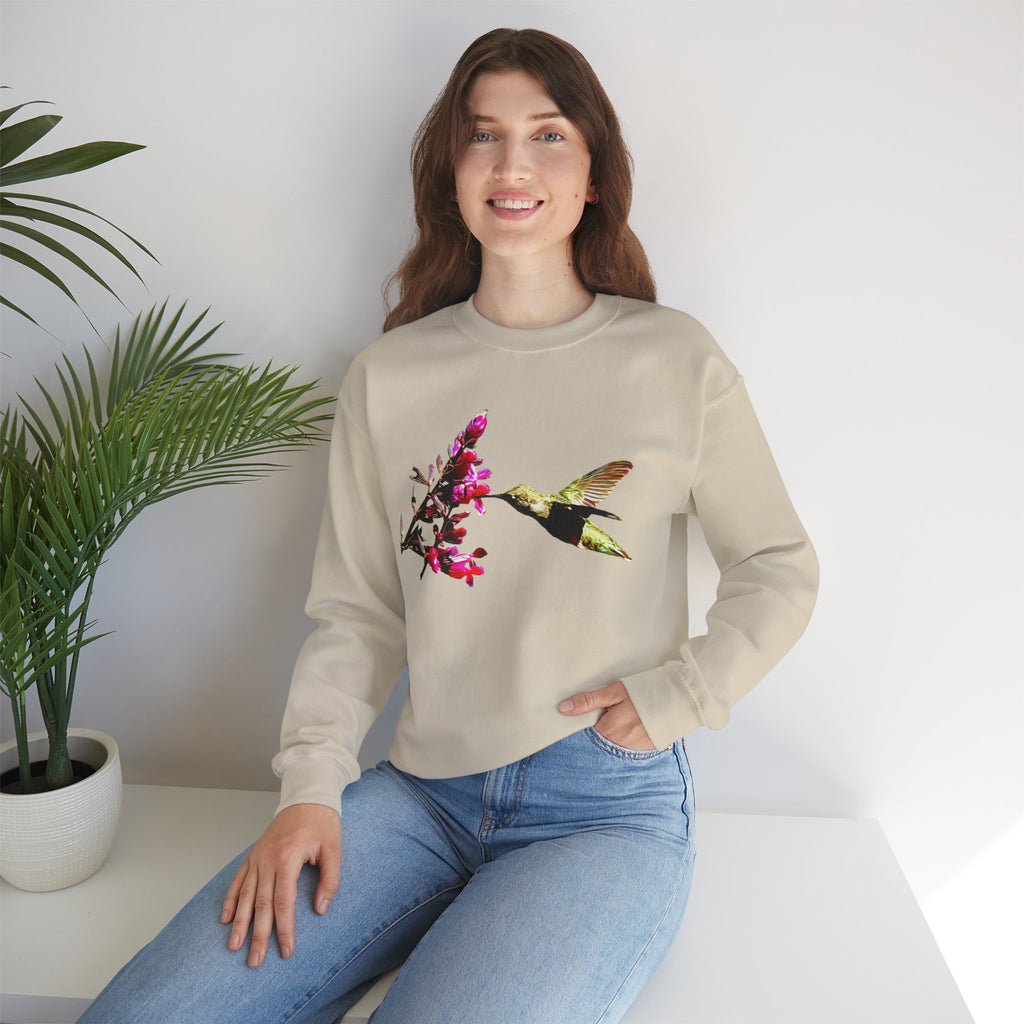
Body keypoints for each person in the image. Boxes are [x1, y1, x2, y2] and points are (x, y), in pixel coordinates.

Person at [80, 27, 818, 1024]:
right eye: (482, 135)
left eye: (547, 135)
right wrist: (310, 790)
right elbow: (359, 613)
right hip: (421, 793)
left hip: (602, 806)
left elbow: (778, 565)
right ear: (452, 171)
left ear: (593, 174)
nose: (512, 164)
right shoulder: (390, 375)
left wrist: (683, 691)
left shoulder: (675, 360)